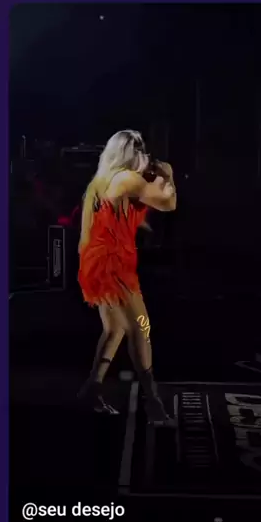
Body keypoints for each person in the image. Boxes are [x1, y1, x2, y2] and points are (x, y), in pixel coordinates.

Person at [77, 129, 177, 425]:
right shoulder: (126, 179)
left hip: (96, 263)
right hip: (114, 266)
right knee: (141, 327)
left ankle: (91, 390)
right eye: (141, 151)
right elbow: (168, 203)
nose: (146, 156)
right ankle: (153, 402)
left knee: (115, 329)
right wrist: (168, 175)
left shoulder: (101, 181)